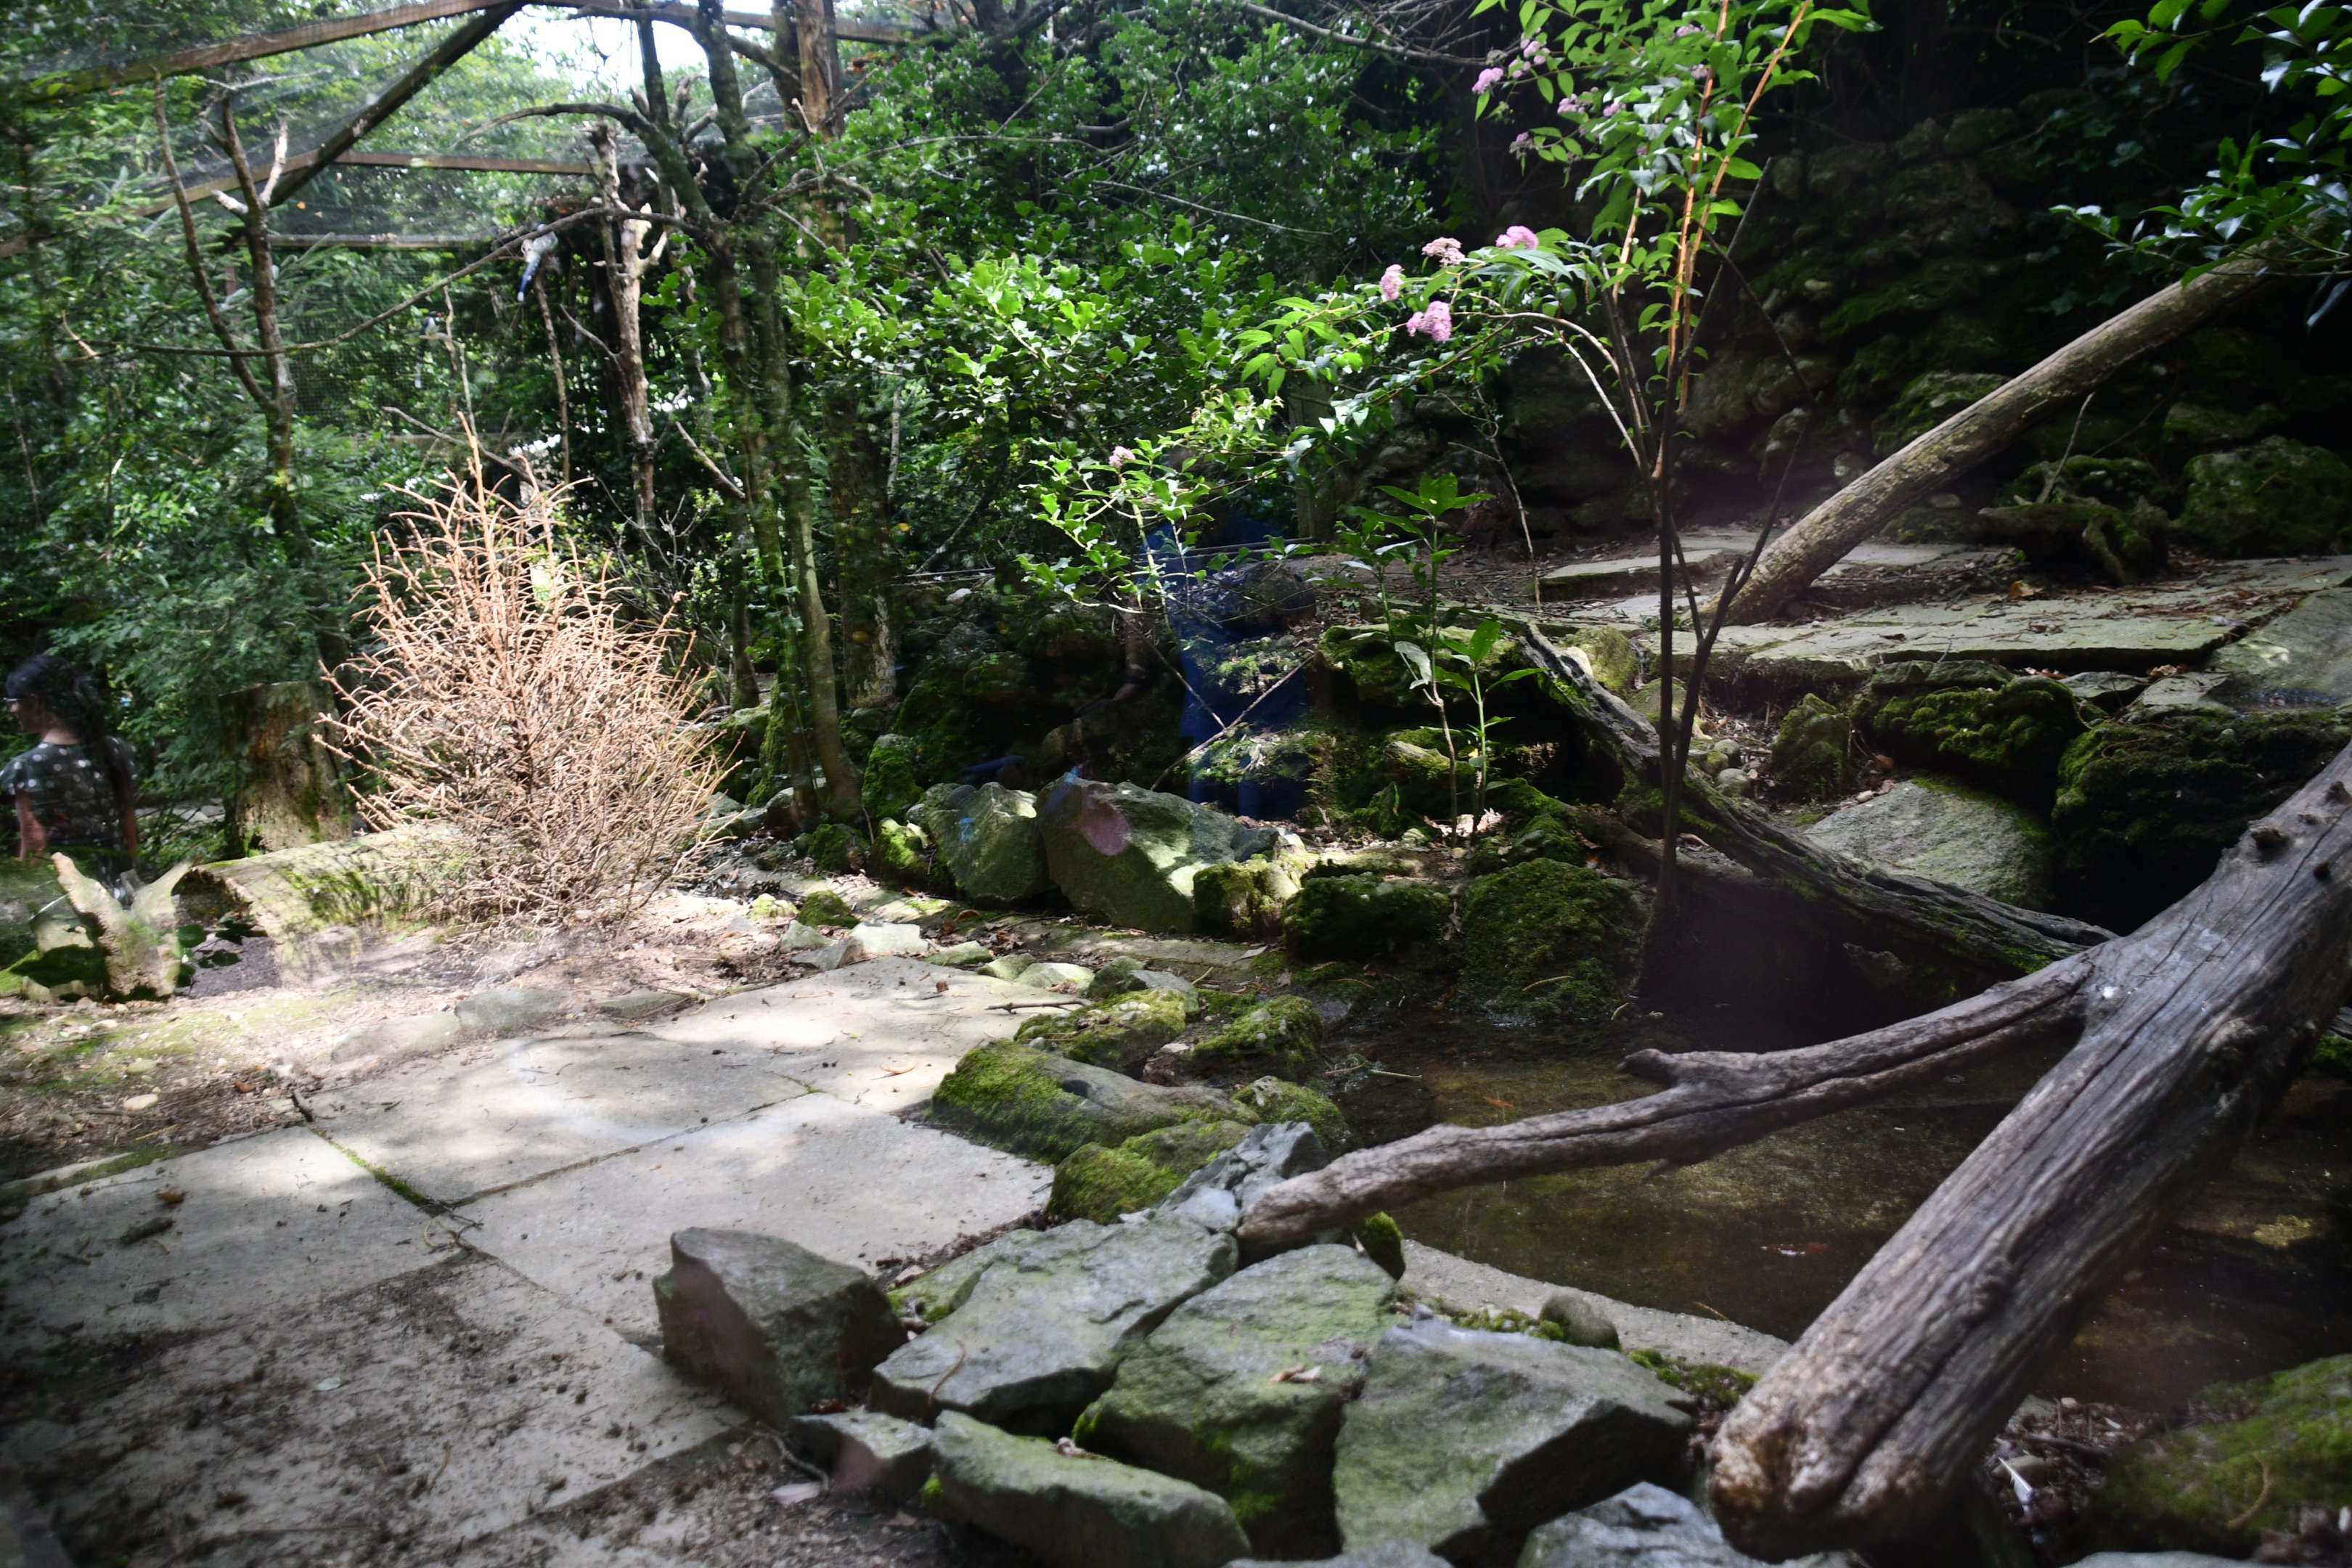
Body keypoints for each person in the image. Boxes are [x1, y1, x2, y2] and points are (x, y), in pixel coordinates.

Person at [4, 654, 139, 882]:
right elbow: (128, 822)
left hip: (70, 894)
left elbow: (35, 840)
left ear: (35, 703)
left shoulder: (26, 767)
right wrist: (135, 876)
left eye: (13, 702)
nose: (11, 710)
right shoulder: (116, 749)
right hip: (120, 884)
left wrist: (27, 890)